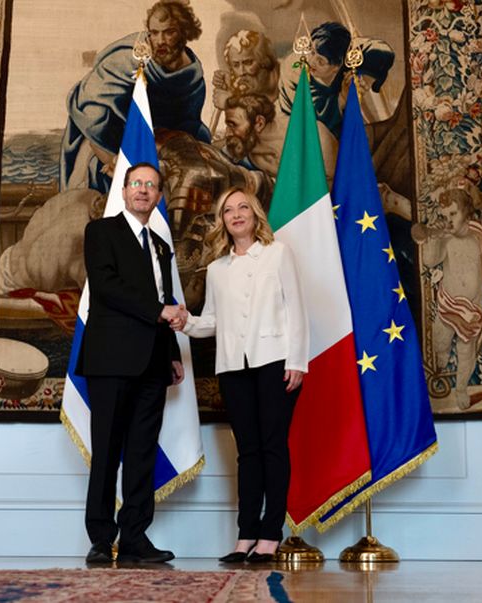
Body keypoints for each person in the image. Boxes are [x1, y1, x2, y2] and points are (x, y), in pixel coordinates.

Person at [174, 188, 308, 563]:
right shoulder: (218, 270)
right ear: (222, 221)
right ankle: (246, 534)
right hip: (233, 367)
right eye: (228, 210)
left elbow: (296, 309)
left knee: (272, 446)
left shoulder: (279, 254)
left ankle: (271, 534)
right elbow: (213, 321)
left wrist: (297, 360)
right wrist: (186, 323)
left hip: (276, 362)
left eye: (242, 207)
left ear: (255, 214)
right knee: (247, 451)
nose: (236, 214)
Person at [76, 162, 186, 564]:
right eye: (136, 183)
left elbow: (165, 298)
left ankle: (135, 538)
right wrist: (159, 312)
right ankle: (101, 539)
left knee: (142, 453)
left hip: (154, 362)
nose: (143, 190)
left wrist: (172, 353)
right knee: (106, 451)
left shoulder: (161, 245)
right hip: (110, 360)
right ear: (123, 191)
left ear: (158, 196)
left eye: (151, 185)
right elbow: (107, 288)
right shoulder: (100, 232)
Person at [60, 0, 210, 193]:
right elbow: (92, 116)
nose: (160, 41)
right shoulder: (127, 60)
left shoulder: (192, 78)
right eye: (154, 32)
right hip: (104, 144)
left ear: (185, 32)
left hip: (158, 150)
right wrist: (118, 162)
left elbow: (188, 125)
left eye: (169, 32)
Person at [411, 183, 482, 410]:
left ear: (467, 212)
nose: (449, 220)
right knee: (440, 339)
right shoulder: (445, 238)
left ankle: (461, 388)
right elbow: (430, 261)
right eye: (444, 216)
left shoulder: (480, 237)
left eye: (453, 214)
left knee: (466, 349)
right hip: (448, 304)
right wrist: (434, 239)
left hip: (471, 308)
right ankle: (441, 359)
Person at [212, 29, 279, 112]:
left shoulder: (285, 79)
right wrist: (228, 85)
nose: (241, 72)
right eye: (236, 65)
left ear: (264, 61)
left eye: (248, 63)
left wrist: (230, 102)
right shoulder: (247, 84)